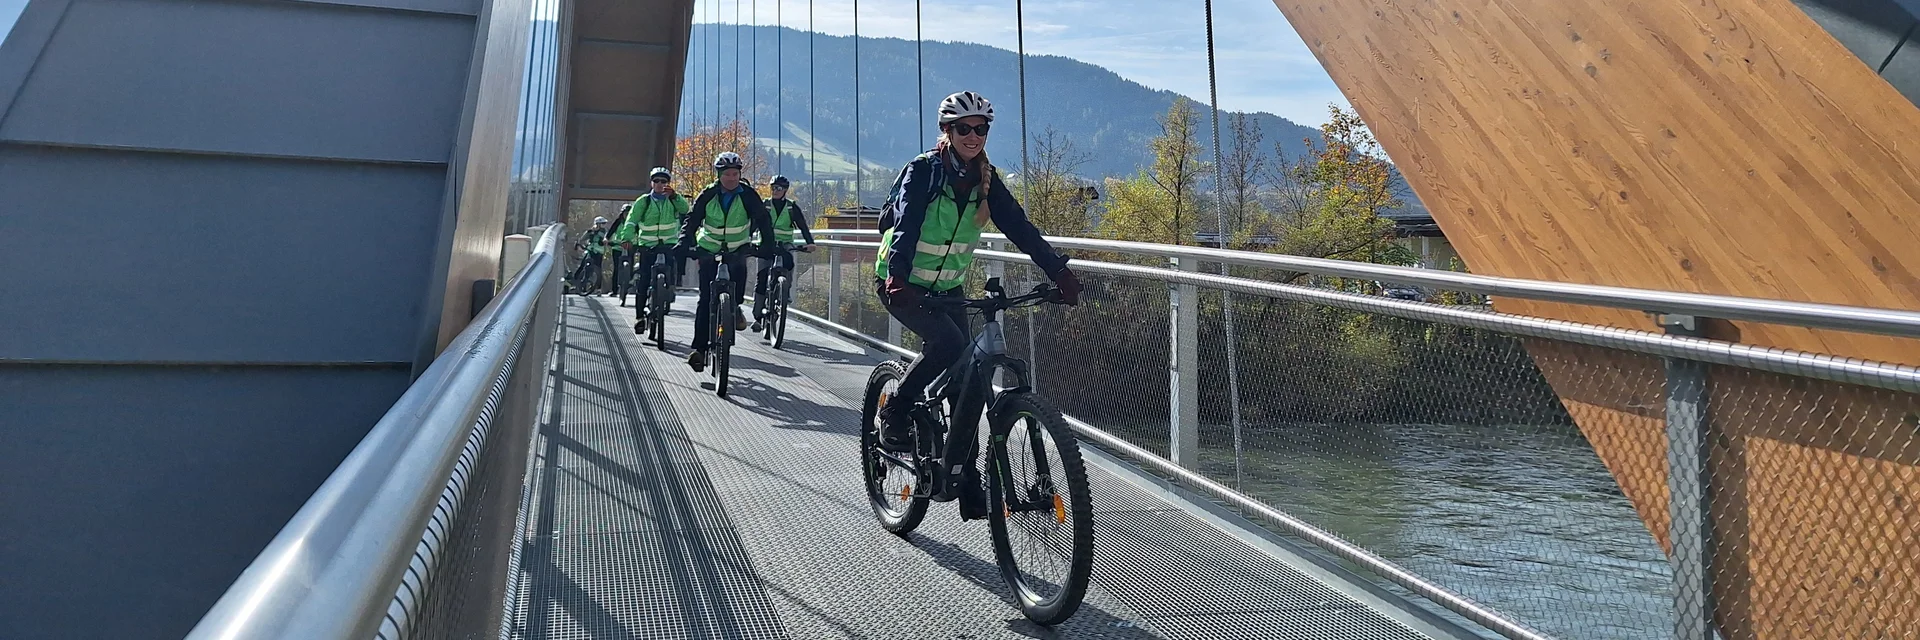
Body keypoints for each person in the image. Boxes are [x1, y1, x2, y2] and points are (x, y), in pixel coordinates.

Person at [874, 91, 1082, 452]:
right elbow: (906, 226)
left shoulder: (985, 179)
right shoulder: (923, 171)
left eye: (981, 129)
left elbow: (1020, 228)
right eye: (964, 129)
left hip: (948, 287)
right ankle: (896, 407)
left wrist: (1059, 272)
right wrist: (897, 276)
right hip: (902, 283)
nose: (973, 136)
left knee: (966, 378)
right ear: (947, 130)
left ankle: (965, 474)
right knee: (949, 344)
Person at [676, 151, 776, 371]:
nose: (731, 178)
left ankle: (735, 307)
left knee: (737, 291)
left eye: (735, 174)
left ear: (739, 174)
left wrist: (768, 245)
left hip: (737, 249)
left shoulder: (748, 195)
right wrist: (684, 242)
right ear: (718, 175)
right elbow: (693, 219)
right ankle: (699, 349)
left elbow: (763, 220)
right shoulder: (708, 194)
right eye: (727, 174)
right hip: (709, 249)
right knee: (705, 300)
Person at [614, 167, 690, 314]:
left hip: (669, 244)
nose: (660, 184)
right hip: (647, 245)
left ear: (668, 183)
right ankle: (639, 316)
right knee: (644, 279)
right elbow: (631, 221)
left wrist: (675, 196)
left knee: (671, 269)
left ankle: (668, 291)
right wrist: (627, 238)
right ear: (651, 183)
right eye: (656, 181)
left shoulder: (673, 200)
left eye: (664, 181)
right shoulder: (644, 201)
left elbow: (685, 210)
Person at [750, 175, 816, 332]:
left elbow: (803, 226)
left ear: (785, 190)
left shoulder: (791, 207)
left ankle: (784, 291)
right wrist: (748, 239)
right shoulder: (765, 205)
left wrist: (810, 242)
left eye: (778, 188)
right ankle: (757, 316)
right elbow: (754, 223)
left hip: (784, 244)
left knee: (789, 264)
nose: (775, 191)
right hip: (766, 244)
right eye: (772, 188)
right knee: (762, 277)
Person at [571, 216, 613, 294]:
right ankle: (577, 284)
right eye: (602, 223)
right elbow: (583, 238)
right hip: (590, 251)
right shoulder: (591, 231)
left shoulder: (605, 232)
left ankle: (598, 288)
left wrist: (607, 242)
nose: (604, 225)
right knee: (583, 266)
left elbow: (608, 239)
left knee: (598, 270)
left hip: (599, 253)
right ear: (597, 224)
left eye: (604, 223)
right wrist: (578, 244)